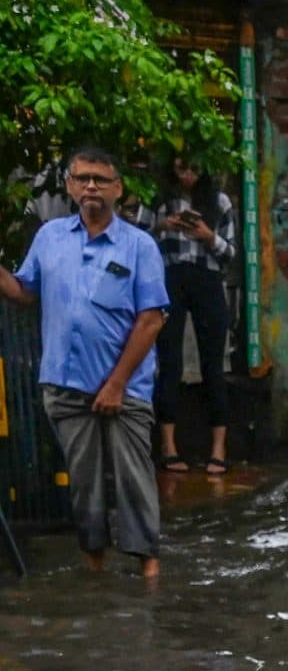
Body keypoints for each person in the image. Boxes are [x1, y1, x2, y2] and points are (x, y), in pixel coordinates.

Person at [1, 147, 169, 580]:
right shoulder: (50, 236)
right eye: (82, 178)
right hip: (64, 382)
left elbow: (150, 320)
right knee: (84, 482)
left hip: (126, 388)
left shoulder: (139, 246)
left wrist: (115, 384)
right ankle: (94, 567)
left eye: (100, 179)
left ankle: (149, 570)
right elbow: (24, 290)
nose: (91, 186)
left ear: (118, 188)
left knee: (133, 478)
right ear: (70, 186)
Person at [152, 158, 235, 477]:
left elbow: (231, 254)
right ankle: (168, 447)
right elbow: (138, 241)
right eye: (181, 169)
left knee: (213, 364)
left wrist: (206, 235)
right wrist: (162, 226)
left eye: (193, 169)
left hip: (208, 279)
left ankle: (218, 448)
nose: (186, 175)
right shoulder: (160, 200)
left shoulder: (219, 202)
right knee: (169, 362)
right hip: (170, 278)